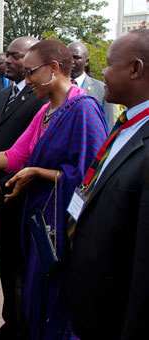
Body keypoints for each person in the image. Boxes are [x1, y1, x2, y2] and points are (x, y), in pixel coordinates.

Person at [0, 40, 108, 339]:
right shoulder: (45, 111)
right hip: (38, 222)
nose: (26, 80)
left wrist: (38, 172)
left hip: (64, 229)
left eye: (31, 72)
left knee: (58, 305)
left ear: (53, 69)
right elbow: (13, 156)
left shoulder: (84, 109)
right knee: (34, 297)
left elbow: (92, 178)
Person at [68, 29, 149, 340]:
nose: (101, 72)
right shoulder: (127, 121)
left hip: (116, 313)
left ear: (135, 68)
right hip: (94, 298)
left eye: (108, 64)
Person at [0, 36, 46, 340]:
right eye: (7, 54)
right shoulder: (3, 94)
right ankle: (11, 324)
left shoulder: (43, 99)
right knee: (6, 265)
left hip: (25, 197)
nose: (7, 60)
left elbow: (34, 152)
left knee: (25, 270)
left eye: (15, 56)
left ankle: (25, 329)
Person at [67, 41, 115, 129]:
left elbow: (108, 125)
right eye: (68, 57)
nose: (71, 61)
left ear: (86, 61)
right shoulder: (53, 86)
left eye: (76, 57)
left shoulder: (102, 89)